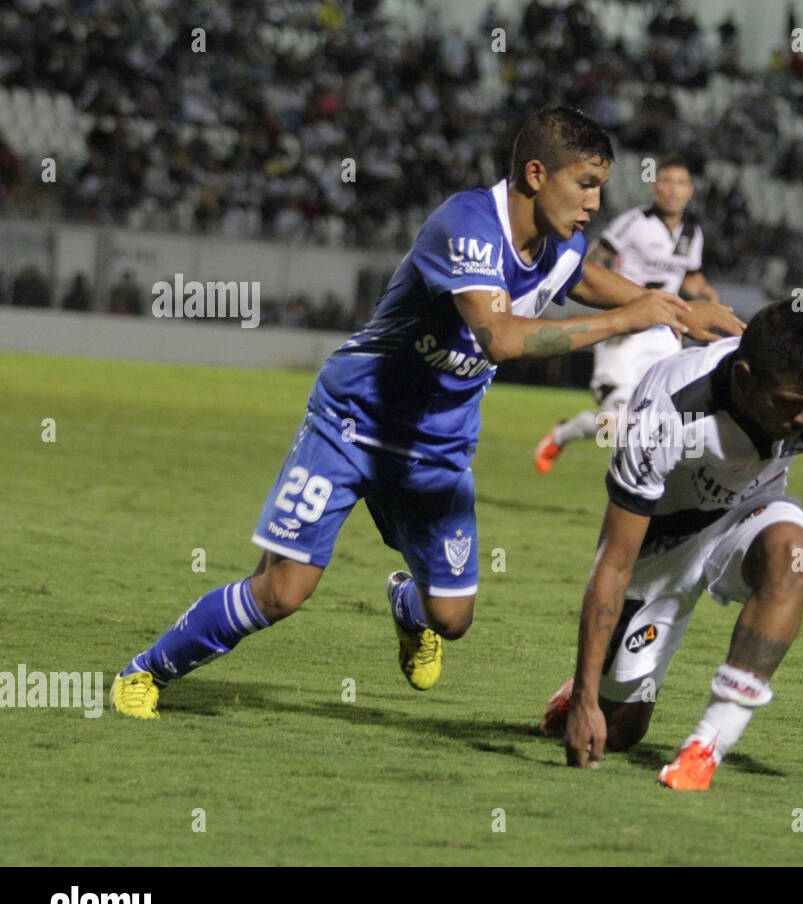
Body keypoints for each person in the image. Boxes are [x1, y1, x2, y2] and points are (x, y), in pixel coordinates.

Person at [109, 107, 742, 719]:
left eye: (601, 188)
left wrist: (682, 314)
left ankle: (409, 608)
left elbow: (585, 279)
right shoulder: (467, 224)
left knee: (452, 619)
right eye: (587, 185)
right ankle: (146, 671)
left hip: (438, 448)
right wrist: (627, 321)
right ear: (536, 175)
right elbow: (499, 337)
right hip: (353, 424)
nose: (595, 204)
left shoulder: (556, 242)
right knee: (283, 590)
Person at [542, 298, 803, 789]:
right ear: (743, 377)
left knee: (792, 555)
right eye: (788, 403)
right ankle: (583, 696)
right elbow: (613, 563)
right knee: (619, 730)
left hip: (747, 518)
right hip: (662, 545)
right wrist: (588, 701)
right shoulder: (667, 406)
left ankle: (706, 747)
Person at [535, 153, 720, 474]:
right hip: (625, 330)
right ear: (655, 186)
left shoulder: (693, 233)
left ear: (690, 190)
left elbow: (690, 276)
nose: (673, 190)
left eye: (681, 183)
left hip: (665, 335)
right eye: (666, 182)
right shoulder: (633, 223)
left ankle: (661, 500)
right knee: (618, 426)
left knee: (675, 423)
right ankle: (563, 434)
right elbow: (591, 262)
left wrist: (704, 292)